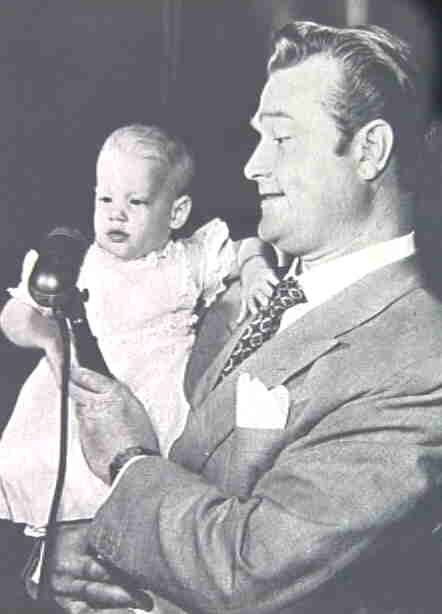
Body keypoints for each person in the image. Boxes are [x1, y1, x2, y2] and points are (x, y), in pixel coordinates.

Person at [34, 21, 442, 614]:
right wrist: (96, 554)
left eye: (281, 140)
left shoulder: (419, 361)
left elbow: (252, 568)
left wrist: (128, 463)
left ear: (370, 151)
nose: (251, 166)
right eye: (257, 139)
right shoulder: (255, 292)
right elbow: (194, 488)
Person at [0, 124, 278, 536]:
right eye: (105, 199)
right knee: (59, 485)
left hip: (157, 403)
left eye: (137, 202)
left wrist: (255, 271)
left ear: (176, 213)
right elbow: (15, 316)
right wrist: (49, 339)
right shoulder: (77, 262)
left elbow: (247, 246)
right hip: (81, 395)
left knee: (146, 503)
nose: (116, 213)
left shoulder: (188, 259)